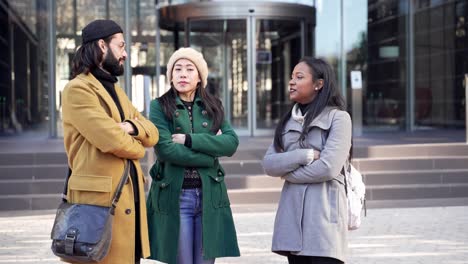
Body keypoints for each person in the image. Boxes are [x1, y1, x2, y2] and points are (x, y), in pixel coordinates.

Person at [61, 19, 159, 264]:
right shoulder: (77, 89)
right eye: (122, 46)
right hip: (98, 204)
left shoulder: (116, 90)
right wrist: (138, 145)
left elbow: (153, 131)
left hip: (127, 200)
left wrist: (130, 126)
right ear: (102, 46)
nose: (126, 54)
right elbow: (113, 140)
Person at [147, 47, 240, 264]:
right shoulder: (159, 106)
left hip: (209, 194)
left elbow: (231, 143)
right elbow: (165, 149)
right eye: (177, 69)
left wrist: (190, 140)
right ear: (170, 76)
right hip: (177, 197)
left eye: (190, 69)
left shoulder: (213, 106)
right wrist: (210, 156)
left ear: (200, 78)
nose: (182, 74)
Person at [262, 57, 352, 264]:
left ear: (319, 84)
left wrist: (287, 173)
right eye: (292, 77)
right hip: (292, 221)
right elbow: (269, 164)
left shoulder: (338, 118)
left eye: (299, 77)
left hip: (324, 219)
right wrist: (306, 156)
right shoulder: (287, 122)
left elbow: (328, 167)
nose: (291, 82)